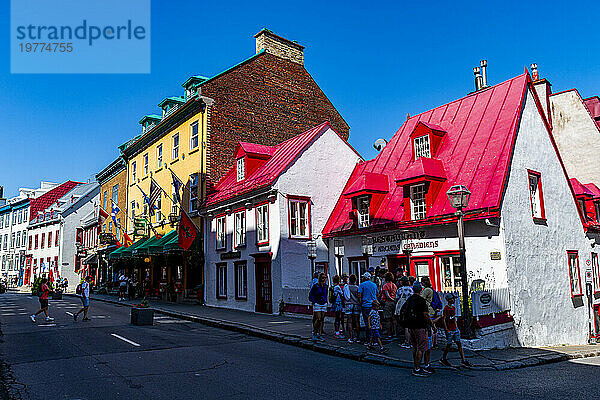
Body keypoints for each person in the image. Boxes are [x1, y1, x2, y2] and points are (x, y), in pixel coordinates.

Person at [401, 282, 435, 377]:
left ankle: (416, 366)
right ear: (421, 290)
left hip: (411, 326)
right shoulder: (421, 300)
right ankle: (417, 368)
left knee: (415, 347)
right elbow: (425, 314)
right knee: (421, 348)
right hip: (420, 326)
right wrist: (432, 325)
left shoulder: (410, 299)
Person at [440, 293, 471, 367]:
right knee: (449, 345)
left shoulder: (453, 308)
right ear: (449, 300)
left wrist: (457, 327)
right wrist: (446, 329)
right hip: (450, 329)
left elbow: (454, 318)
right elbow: (444, 319)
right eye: (453, 299)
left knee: (459, 344)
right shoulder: (446, 309)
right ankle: (443, 358)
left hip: (455, 328)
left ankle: (463, 360)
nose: (454, 300)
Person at [358, 271, 379, 343]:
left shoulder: (362, 285)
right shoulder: (374, 285)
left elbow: (359, 296)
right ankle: (375, 339)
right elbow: (378, 294)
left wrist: (361, 303)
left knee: (367, 322)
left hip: (366, 305)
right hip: (373, 305)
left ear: (365, 277)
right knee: (374, 322)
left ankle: (369, 339)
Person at [395, 276, 414, 348]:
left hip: (403, 308)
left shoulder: (400, 289)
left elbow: (396, 299)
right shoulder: (411, 289)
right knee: (410, 325)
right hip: (409, 308)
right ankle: (411, 341)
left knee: (406, 326)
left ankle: (407, 341)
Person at [309, 273, 328, 341]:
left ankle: (320, 334)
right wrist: (314, 302)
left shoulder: (325, 286)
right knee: (318, 318)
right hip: (317, 303)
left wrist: (326, 301)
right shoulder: (316, 286)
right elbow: (311, 294)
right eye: (322, 277)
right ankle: (315, 332)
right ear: (320, 278)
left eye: (325, 277)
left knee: (322, 319)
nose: (324, 279)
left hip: (324, 303)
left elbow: (326, 294)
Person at [343, 274, 361, 343]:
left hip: (349, 304)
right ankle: (358, 337)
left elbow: (344, 296)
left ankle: (351, 337)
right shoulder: (357, 287)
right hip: (356, 304)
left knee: (349, 321)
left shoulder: (347, 287)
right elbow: (359, 296)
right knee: (357, 321)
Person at [381, 272, 397, 339]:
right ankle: (395, 333)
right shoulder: (394, 285)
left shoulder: (385, 286)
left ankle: (389, 334)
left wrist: (391, 299)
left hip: (388, 302)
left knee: (388, 319)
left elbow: (387, 295)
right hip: (394, 303)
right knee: (394, 318)